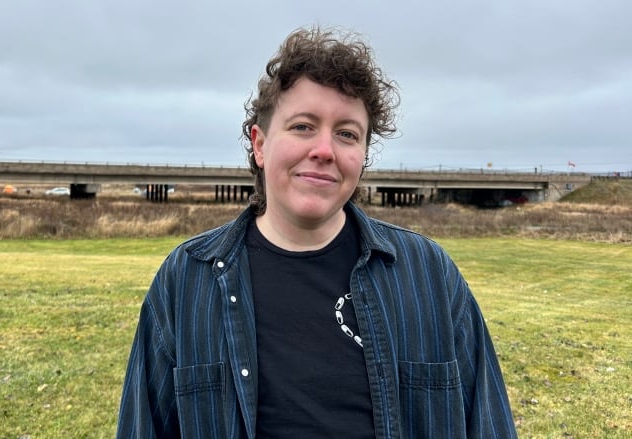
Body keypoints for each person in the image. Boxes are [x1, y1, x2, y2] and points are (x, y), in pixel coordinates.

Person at [117, 26, 517, 438]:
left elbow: (489, 423)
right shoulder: (185, 280)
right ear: (260, 143)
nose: (324, 150)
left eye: (347, 133)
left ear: (362, 156)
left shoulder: (429, 275)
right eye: (303, 126)